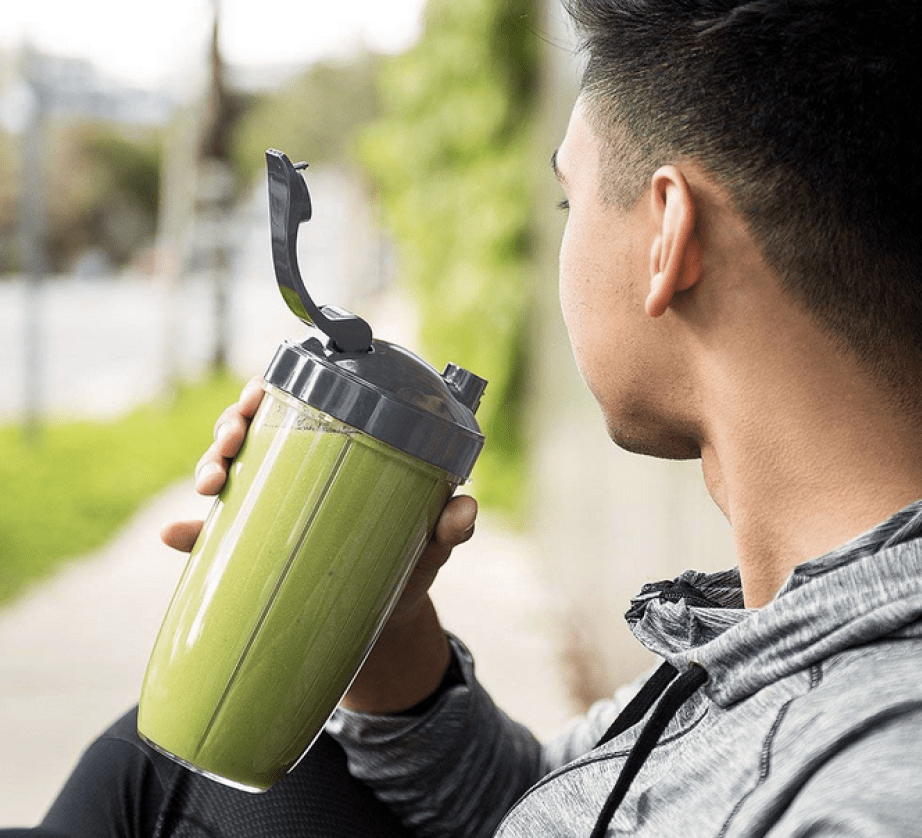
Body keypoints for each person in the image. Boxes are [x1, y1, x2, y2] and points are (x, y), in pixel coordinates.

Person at [8, 0, 922, 835]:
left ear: (667, 237)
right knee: (158, 765)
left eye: (570, 199)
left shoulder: (877, 767)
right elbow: (542, 808)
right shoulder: (767, 640)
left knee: (149, 782)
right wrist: (382, 625)